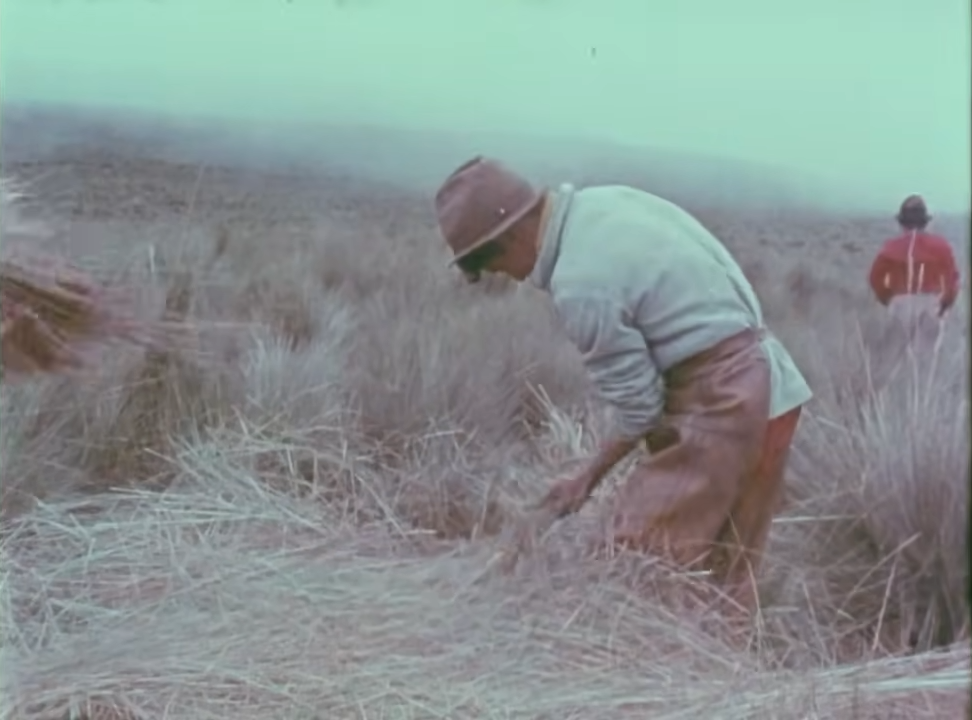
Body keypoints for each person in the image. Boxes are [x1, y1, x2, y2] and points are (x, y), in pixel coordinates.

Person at [435, 156, 813, 612]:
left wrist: (584, 480)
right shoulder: (603, 204)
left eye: (494, 267)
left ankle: (647, 679)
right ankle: (722, 677)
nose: (509, 279)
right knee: (725, 571)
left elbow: (640, 408)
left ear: (508, 237)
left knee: (632, 567)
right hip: (773, 387)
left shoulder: (581, 282)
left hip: (724, 399)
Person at [868, 195, 960, 343]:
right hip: (931, 304)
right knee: (927, 356)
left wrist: (888, 299)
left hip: (899, 305)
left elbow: (875, 277)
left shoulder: (891, 246)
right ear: (924, 222)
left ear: (902, 223)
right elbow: (952, 281)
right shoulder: (941, 246)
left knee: (897, 354)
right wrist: (944, 305)